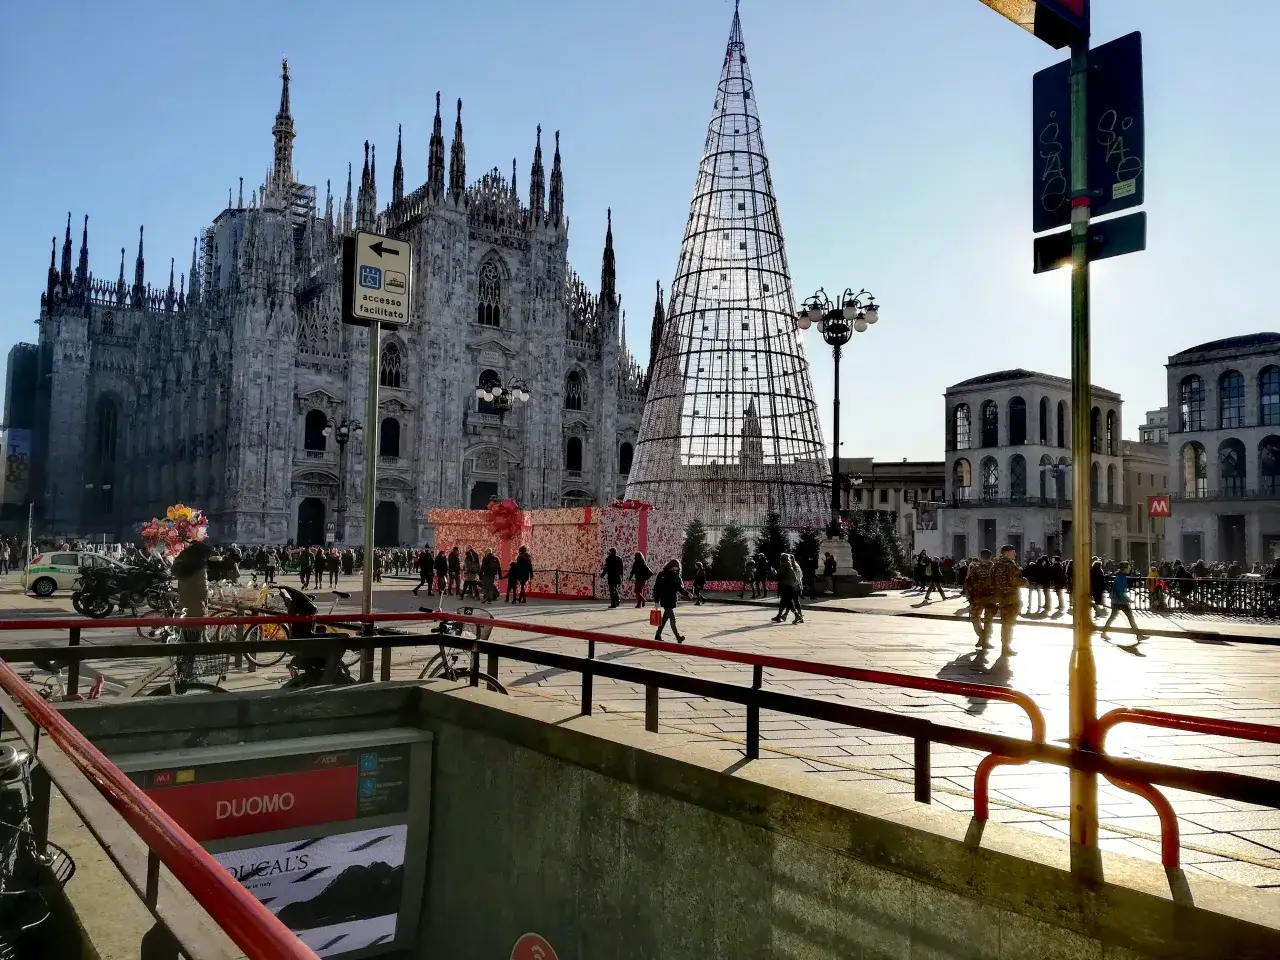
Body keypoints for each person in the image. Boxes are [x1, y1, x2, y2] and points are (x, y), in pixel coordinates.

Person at [990, 544, 1026, 655]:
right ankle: (1006, 646)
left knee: (1004, 623)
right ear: (1007, 553)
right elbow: (1017, 582)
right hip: (1011, 598)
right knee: (1009, 624)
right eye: (1013, 552)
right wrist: (1025, 581)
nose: (1015, 554)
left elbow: (991, 580)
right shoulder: (1011, 566)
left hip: (1000, 598)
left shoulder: (996, 565)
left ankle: (1005, 646)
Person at [1101, 561, 1148, 642]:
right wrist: (1128, 599)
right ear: (1124, 569)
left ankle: (1104, 632)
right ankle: (1138, 635)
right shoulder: (1120, 578)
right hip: (1121, 602)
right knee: (1130, 618)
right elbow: (1120, 591)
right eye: (1128, 567)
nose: (1130, 568)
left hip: (1116, 601)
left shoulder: (1120, 576)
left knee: (1113, 617)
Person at [652, 559, 692, 643]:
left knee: (664, 619)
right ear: (670, 565)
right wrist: (656, 601)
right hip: (665, 599)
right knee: (672, 619)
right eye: (674, 567)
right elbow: (656, 588)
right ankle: (678, 637)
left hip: (672, 600)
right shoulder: (662, 574)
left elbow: (679, 588)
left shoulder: (676, 576)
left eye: (677, 567)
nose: (675, 569)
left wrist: (687, 594)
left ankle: (658, 635)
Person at [965, 550, 996, 646]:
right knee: (988, 620)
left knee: (975, 618)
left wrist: (969, 597)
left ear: (981, 557)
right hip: (992, 598)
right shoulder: (996, 568)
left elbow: (968, 582)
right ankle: (984, 639)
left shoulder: (976, 568)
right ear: (990, 556)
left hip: (978, 598)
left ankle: (982, 637)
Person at [771, 553, 803, 624]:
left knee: (789, 602)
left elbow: (777, 577)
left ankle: (796, 615)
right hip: (790, 587)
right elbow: (795, 578)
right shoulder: (790, 566)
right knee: (783, 602)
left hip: (783, 586)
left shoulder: (781, 567)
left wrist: (773, 572)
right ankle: (779, 616)